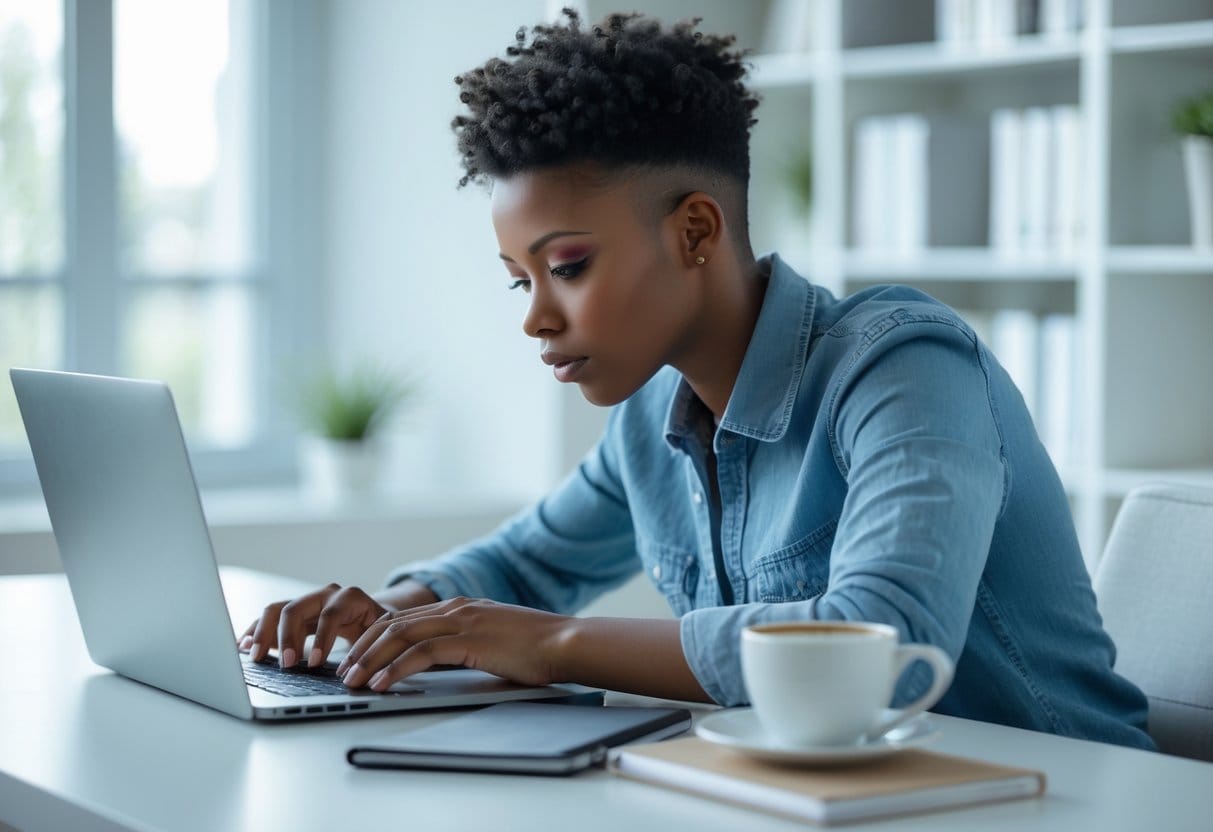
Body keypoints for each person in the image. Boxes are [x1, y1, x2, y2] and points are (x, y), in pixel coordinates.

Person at [243, 10, 1154, 749]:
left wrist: (550, 644)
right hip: (827, 800)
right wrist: (389, 617)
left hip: (1060, 801)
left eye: (567, 267)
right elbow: (522, 565)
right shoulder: (649, 415)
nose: (534, 318)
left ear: (694, 232)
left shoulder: (902, 365)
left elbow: (888, 643)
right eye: (520, 281)